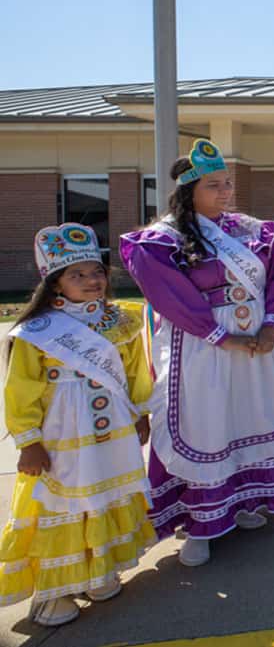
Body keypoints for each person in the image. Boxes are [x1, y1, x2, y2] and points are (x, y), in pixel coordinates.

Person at [121, 140, 274, 567]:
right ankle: (198, 522)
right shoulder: (161, 241)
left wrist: (272, 324)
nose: (226, 192)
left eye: (228, 184)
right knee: (204, 425)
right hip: (201, 349)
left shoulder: (251, 230)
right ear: (189, 191)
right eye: (214, 186)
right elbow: (171, 297)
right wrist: (223, 335)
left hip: (256, 345)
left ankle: (242, 502)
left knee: (249, 417)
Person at [1, 224, 154, 626]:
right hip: (64, 431)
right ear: (55, 285)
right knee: (65, 499)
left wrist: (141, 413)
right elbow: (20, 388)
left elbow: (137, 372)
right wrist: (28, 440)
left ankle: (99, 572)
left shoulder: (124, 321)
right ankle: (53, 593)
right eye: (77, 275)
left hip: (113, 426)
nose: (92, 281)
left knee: (107, 491)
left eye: (96, 272)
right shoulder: (39, 331)